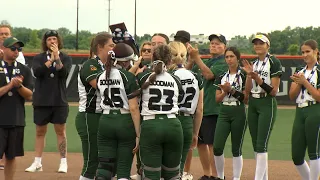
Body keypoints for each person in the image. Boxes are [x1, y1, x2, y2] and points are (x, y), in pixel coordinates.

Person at [25, 30, 72, 173]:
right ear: (45, 42)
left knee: (60, 131)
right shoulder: (38, 58)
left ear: (58, 41)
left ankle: (63, 162)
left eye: (55, 39)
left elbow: (63, 73)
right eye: (49, 39)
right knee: (40, 131)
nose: (52, 41)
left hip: (59, 100)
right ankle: (37, 162)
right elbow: (37, 72)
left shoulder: (65, 57)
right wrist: (50, 59)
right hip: (41, 100)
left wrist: (57, 57)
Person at [137, 44, 184, 180]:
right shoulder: (175, 79)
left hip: (151, 125)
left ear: (152, 57)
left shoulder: (143, 77)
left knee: (151, 174)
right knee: (173, 175)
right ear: (170, 61)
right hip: (173, 125)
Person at [95, 43, 141, 180]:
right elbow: (133, 108)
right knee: (123, 168)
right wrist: (138, 133)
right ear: (126, 61)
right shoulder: (128, 77)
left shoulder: (101, 76)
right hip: (124, 121)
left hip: (106, 120)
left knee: (104, 166)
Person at [242, 33, 282, 180]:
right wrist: (248, 75)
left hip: (266, 103)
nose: (258, 45)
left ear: (268, 45)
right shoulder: (253, 63)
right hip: (253, 102)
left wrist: (257, 78)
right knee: (255, 143)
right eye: (256, 43)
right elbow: (246, 91)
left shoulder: (274, 61)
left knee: (261, 144)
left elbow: (274, 91)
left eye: (261, 43)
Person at [187, 34, 228, 180]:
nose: (214, 45)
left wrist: (197, 58)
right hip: (201, 108)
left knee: (212, 144)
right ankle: (207, 174)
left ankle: (217, 176)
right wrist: (191, 59)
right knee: (201, 143)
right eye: (212, 43)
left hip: (214, 108)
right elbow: (188, 73)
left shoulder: (224, 62)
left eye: (218, 43)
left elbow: (209, 75)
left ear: (224, 47)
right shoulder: (209, 61)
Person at [75, 32, 114, 180]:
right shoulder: (90, 64)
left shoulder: (108, 66)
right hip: (89, 115)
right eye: (111, 45)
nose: (113, 49)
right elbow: (100, 85)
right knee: (92, 161)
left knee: (104, 160)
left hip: (102, 116)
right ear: (100, 47)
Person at [168, 41, 203, 180]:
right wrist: (195, 132)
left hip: (170, 119)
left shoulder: (167, 75)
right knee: (179, 169)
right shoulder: (195, 76)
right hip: (187, 121)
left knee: (164, 165)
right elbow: (200, 109)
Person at [0, 37, 33, 180]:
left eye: (19, 49)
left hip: (16, 119)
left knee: (11, 156)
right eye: (13, 48)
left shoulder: (23, 69)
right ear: (4, 49)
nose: (16, 52)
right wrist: (10, 85)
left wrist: (19, 86)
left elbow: (30, 95)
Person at [214, 47, 247, 180]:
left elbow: (246, 98)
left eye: (232, 56)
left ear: (237, 58)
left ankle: (236, 178)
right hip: (224, 111)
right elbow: (217, 99)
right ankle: (220, 176)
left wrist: (231, 90)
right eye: (227, 57)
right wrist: (224, 92)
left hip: (238, 110)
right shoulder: (222, 75)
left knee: (236, 148)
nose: (229, 59)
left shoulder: (243, 74)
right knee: (217, 147)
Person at [289, 39, 320, 180]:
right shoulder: (300, 72)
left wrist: (304, 82)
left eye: (308, 51)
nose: (305, 54)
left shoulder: (318, 71)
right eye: (303, 52)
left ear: (316, 52)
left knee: (314, 152)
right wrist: (298, 83)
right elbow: (291, 95)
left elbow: (319, 97)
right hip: (300, 110)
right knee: (296, 155)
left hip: (315, 109)